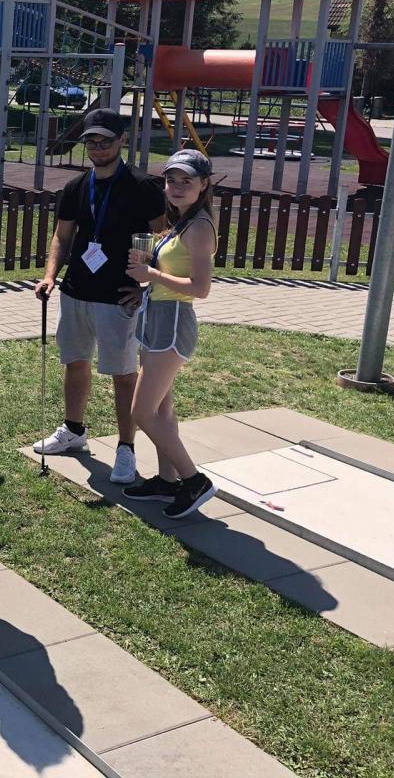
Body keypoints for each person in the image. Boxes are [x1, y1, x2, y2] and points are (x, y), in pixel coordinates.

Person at [32, 108, 167, 483]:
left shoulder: (143, 188)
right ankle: (73, 431)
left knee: (123, 374)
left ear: (122, 140)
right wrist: (50, 276)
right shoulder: (76, 187)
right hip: (76, 291)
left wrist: (146, 287)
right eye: (90, 142)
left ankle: (126, 448)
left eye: (104, 141)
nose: (97, 148)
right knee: (75, 362)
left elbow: (164, 241)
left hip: (119, 297)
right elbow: (62, 237)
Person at [122, 149, 218, 518]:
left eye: (186, 181)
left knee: (142, 411)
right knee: (161, 407)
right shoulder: (182, 222)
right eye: (171, 180)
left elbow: (200, 288)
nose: (176, 187)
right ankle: (167, 480)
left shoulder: (200, 227)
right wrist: (150, 269)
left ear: (203, 185)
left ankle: (194, 480)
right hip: (158, 317)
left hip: (174, 322)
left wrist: (152, 274)